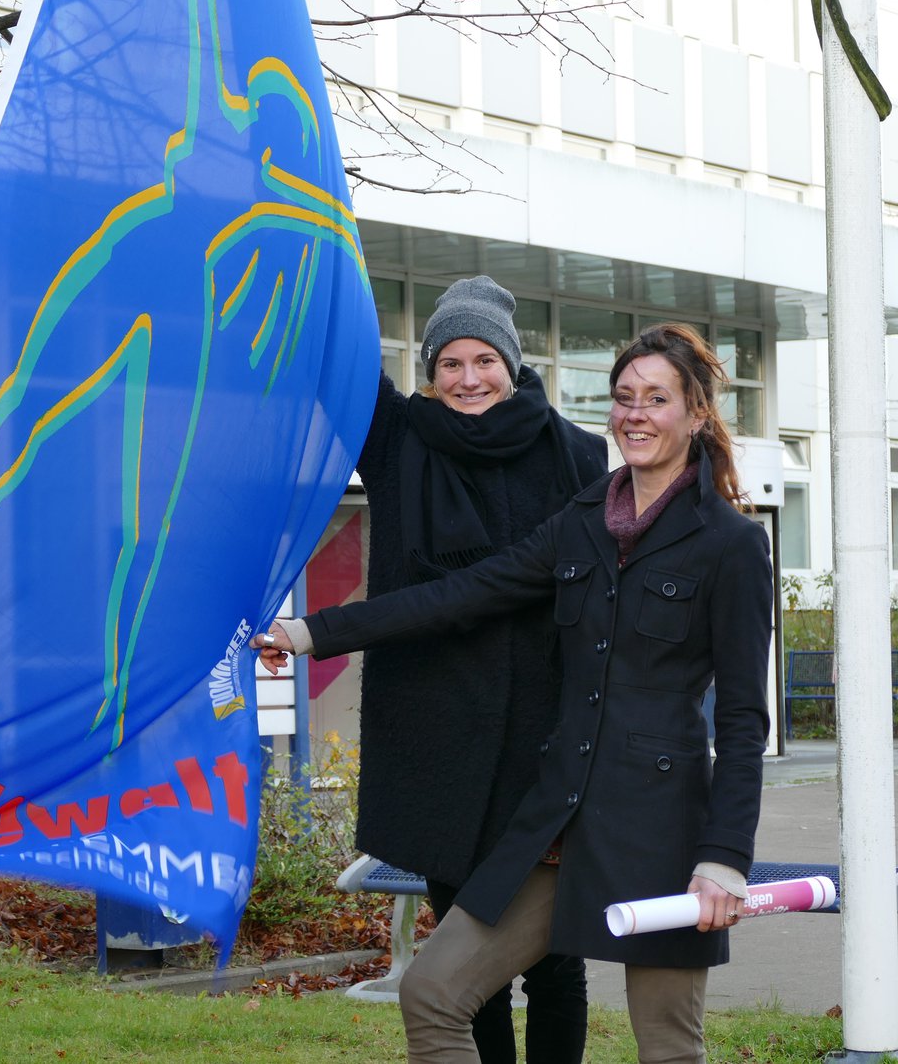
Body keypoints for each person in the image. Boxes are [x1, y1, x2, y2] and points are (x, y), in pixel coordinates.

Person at [257, 322, 773, 1064]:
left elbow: (743, 719)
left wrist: (724, 857)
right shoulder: (585, 520)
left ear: (696, 414)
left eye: (657, 398)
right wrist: (308, 633)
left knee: (668, 1047)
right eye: (623, 397)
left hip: (660, 827)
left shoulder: (730, 543)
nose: (635, 413)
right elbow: (460, 595)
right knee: (432, 993)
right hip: (553, 818)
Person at [346, 275, 604, 1063]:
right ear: (428, 369)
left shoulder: (580, 454)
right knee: (465, 951)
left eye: (483, 359)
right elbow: (341, 352)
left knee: (554, 955)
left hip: (543, 734)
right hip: (437, 738)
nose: (466, 378)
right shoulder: (395, 438)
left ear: (514, 364)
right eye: (449, 361)